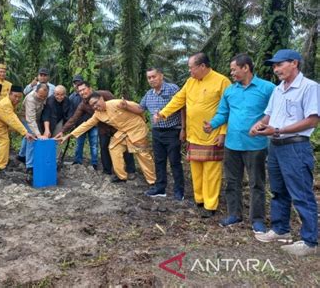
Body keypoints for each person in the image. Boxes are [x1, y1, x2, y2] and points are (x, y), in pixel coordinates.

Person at [250, 49, 319, 257]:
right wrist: (258, 125)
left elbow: (312, 119)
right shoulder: (279, 89)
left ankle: (310, 241)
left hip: (295, 147)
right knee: (278, 191)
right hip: (276, 147)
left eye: (280, 64)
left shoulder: (309, 87)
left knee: (302, 194)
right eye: (274, 65)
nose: (276, 69)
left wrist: (277, 130)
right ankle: (281, 230)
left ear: (294, 63)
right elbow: (269, 116)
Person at [203, 54, 275, 233]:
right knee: (232, 181)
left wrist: (265, 125)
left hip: (256, 145)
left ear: (246, 68)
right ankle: (234, 214)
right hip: (232, 144)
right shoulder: (230, 91)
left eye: (234, 69)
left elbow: (276, 111)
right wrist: (212, 124)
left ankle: (257, 219)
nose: (231, 73)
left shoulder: (267, 88)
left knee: (256, 183)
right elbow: (223, 113)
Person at [157, 53, 231, 218]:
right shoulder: (190, 82)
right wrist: (163, 113)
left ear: (202, 66)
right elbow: (178, 99)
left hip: (212, 135)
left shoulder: (222, 81)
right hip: (194, 135)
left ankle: (210, 205)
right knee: (196, 170)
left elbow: (227, 110)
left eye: (191, 67)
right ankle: (199, 199)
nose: (189, 71)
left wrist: (223, 132)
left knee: (211, 172)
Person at [120, 67, 186, 200]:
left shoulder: (172, 89)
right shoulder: (149, 94)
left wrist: (184, 128)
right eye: (149, 77)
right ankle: (160, 188)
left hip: (173, 130)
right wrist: (126, 105)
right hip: (157, 132)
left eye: (154, 76)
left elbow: (182, 107)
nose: (151, 79)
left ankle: (179, 191)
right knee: (159, 161)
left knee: (175, 161)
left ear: (161, 76)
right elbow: (140, 108)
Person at [60, 93, 156, 184]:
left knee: (142, 154)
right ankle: (121, 176)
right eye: (92, 106)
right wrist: (69, 135)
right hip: (123, 132)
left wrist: (131, 110)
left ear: (101, 99)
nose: (95, 106)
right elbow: (86, 125)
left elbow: (140, 108)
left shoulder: (116, 103)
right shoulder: (98, 114)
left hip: (137, 129)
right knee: (113, 147)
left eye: (95, 103)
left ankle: (153, 181)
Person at [56, 82, 136, 176]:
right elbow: (74, 119)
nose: (82, 92)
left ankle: (131, 171)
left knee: (125, 146)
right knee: (104, 148)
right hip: (103, 127)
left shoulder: (104, 94)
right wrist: (62, 131)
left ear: (90, 88)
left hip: (117, 125)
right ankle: (107, 171)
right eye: (79, 91)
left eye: (83, 89)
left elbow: (119, 106)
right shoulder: (83, 104)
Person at [0, 85, 30, 178]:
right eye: (15, 96)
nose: (17, 99)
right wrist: (25, 132)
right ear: (9, 94)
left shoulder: (9, 102)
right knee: (4, 142)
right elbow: (12, 119)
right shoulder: (6, 104)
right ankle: (0, 168)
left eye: (19, 97)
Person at [68, 75, 97, 166]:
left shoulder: (92, 95)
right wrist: (71, 125)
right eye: (75, 83)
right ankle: (77, 161)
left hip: (93, 124)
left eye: (78, 82)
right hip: (79, 125)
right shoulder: (72, 97)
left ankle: (94, 163)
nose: (76, 85)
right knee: (79, 144)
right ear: (73, 85)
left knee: (94, 144)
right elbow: (71, 112)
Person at [22, 83, 49, 174]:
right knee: (32, 138)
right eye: (40, 96)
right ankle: (30, 166)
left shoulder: (45, 96)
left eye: (44, 96)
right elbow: (31, 120)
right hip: (27, 118)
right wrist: (38, 134)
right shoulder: (30, 99)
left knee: (27, 136)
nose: (42, 98)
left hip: (36, 118)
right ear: (36, 91)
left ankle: (21, 155)